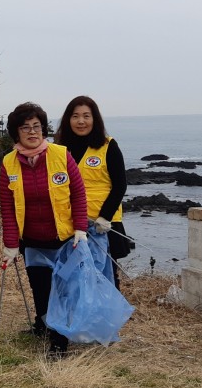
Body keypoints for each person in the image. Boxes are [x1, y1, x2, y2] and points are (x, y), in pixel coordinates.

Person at [0, 102, 89, 357]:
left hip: (63, 238)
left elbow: (78, 193)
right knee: (41, 291)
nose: (32, 132)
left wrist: (80, 228)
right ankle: (45, 325)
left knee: (62, 291)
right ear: (17, 133)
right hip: (33, 241)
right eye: (25, 127)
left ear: (43, 128)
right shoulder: (8, 163)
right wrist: (11, 244)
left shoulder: (61, 154)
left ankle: (59, 342)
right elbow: (7, 206)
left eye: (36, 126)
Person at [54, 96, 130, 289]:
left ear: (95, 119)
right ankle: (77, 316)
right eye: (75, 116)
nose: (81, 121)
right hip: (69, 223)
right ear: (67, 120)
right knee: (71, 275)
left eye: (86, 116)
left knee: (105, 275)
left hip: (102, 224)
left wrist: (105, 217)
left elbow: (120, 185)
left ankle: (107, 317)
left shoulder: (108, 146)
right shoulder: (59, 150)